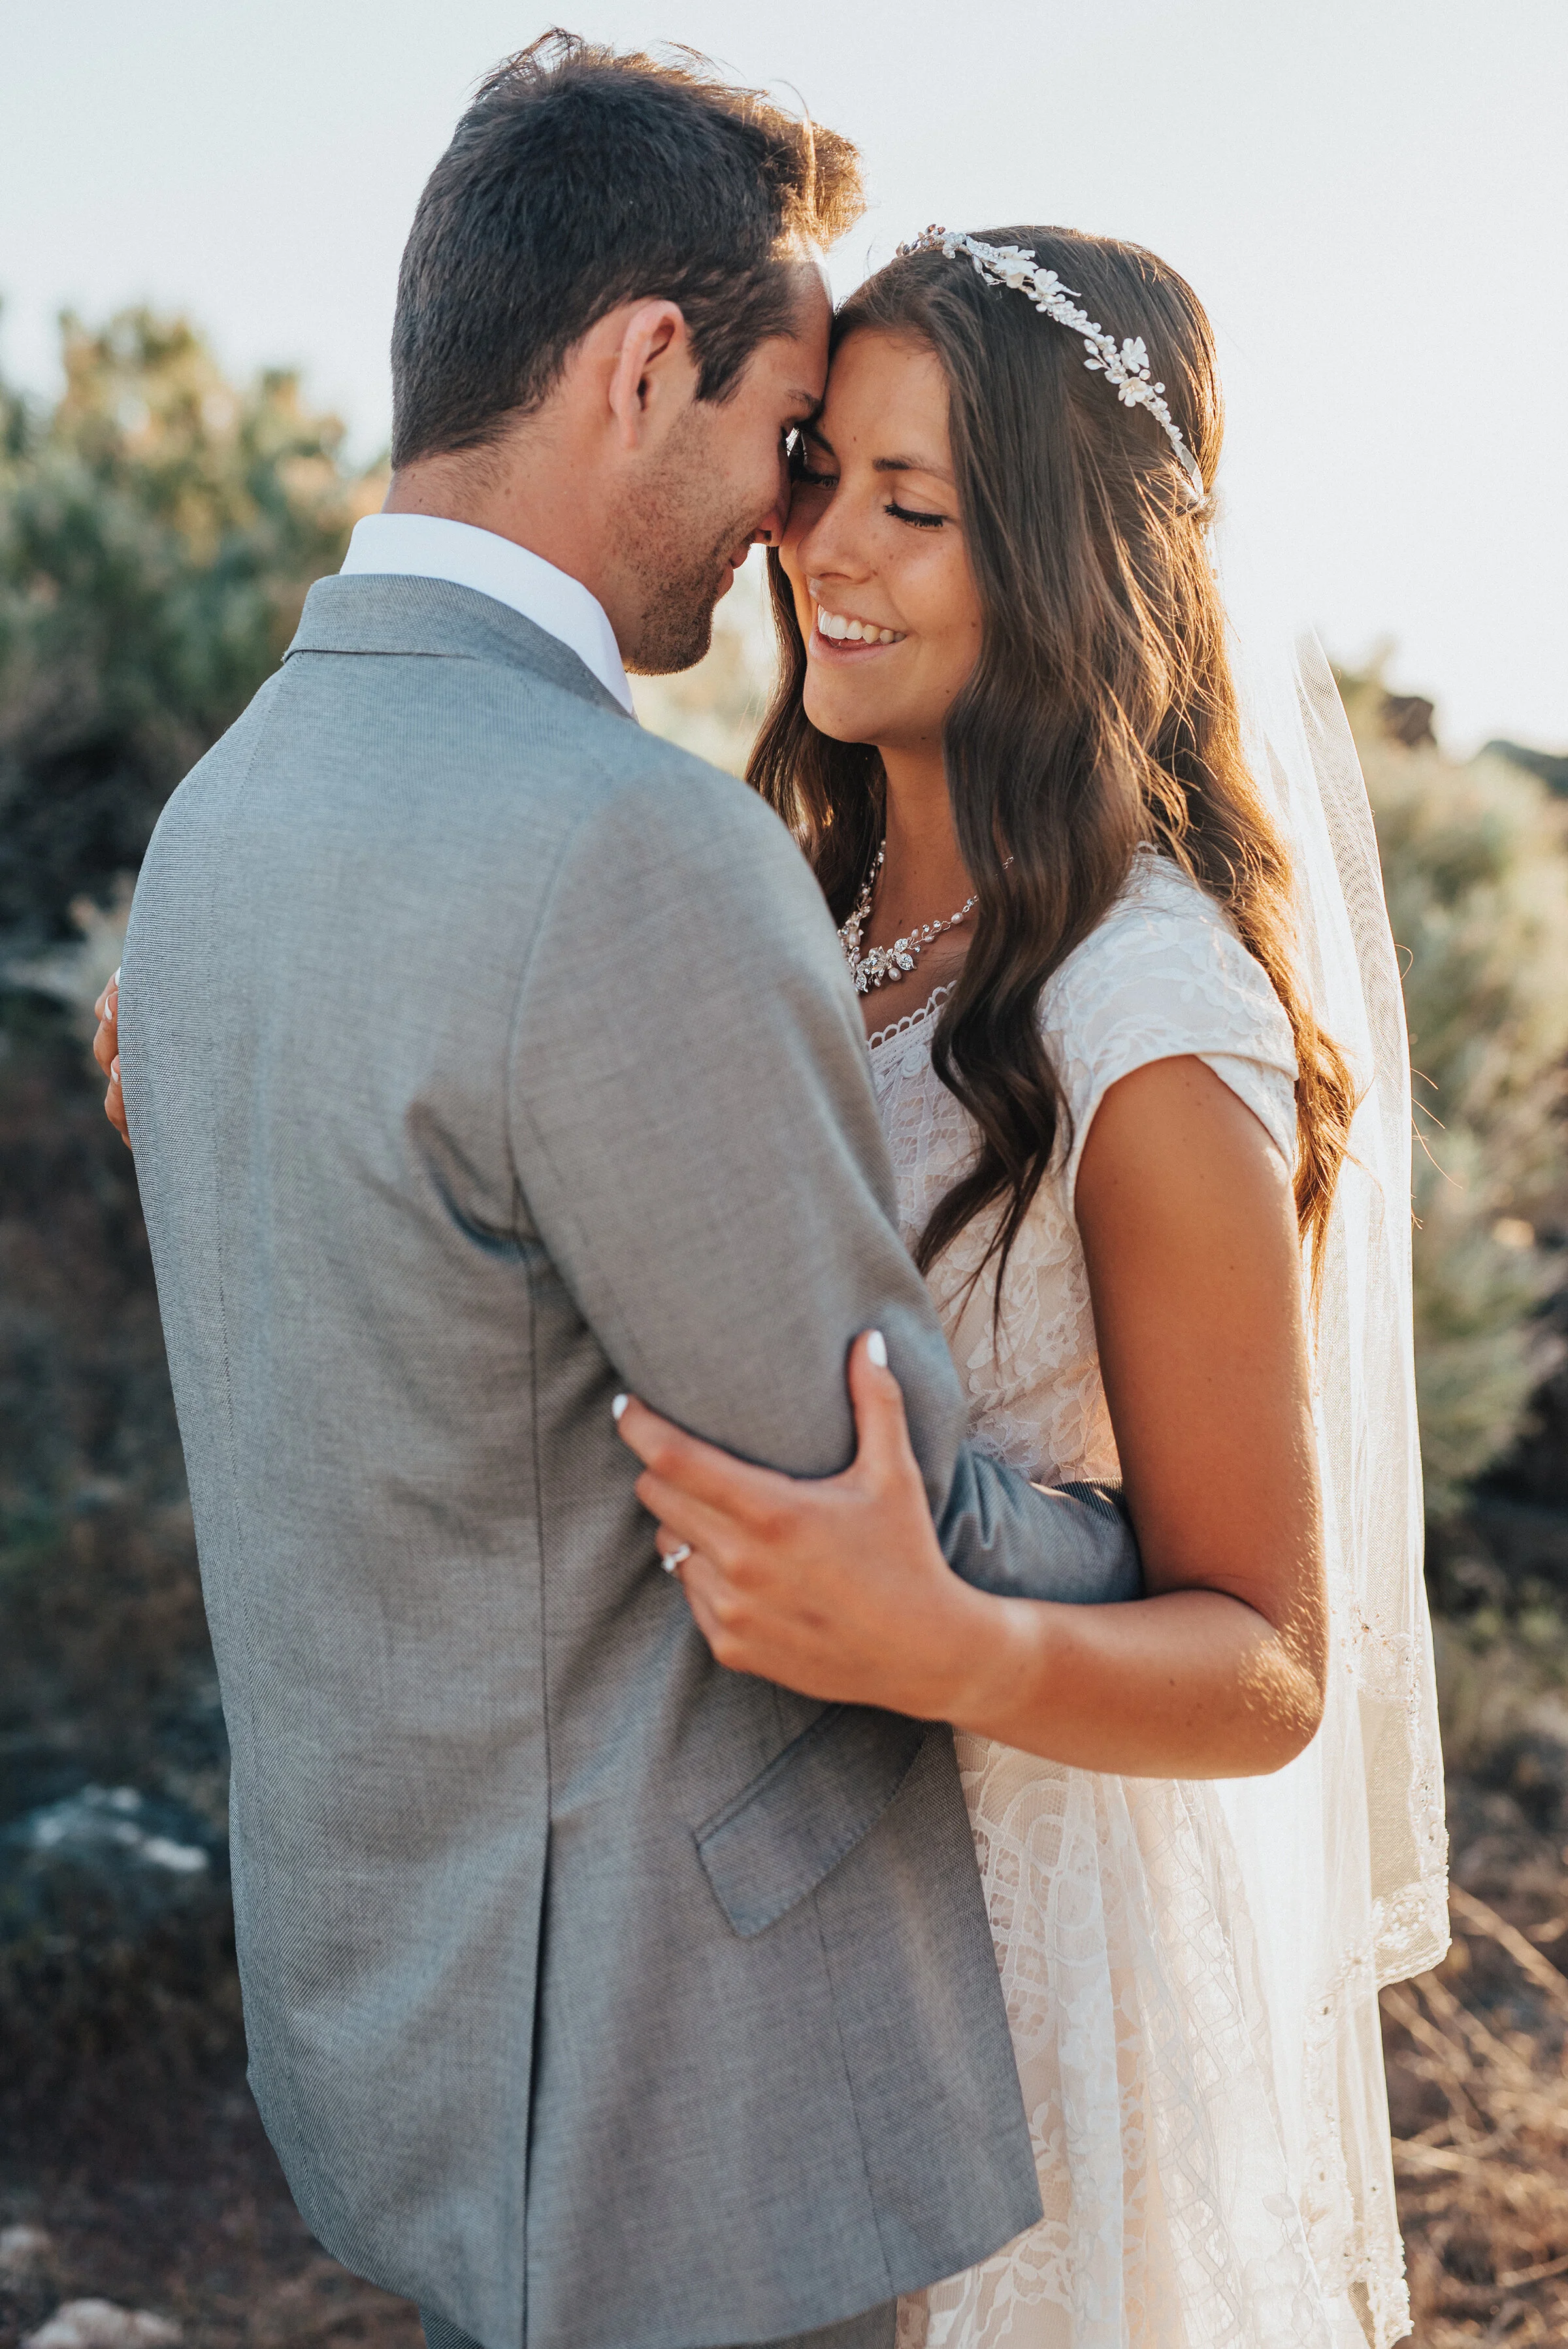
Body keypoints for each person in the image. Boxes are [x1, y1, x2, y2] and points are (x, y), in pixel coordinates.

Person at [93, 41, 1149, 2349]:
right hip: (675, 2094)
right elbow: (866, 1502)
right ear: (641, 365)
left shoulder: (218, 824)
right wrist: (1187, 1552)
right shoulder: (624, 849)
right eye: (787, 440)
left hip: (394, 2026)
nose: (793, 522)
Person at [609, 230, 1446, 2348]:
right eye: (820, 479)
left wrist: (941, 1637)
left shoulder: (1146, 1015)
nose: (828, 552)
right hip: (756, 1919)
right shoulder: (794, 902)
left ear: (1070, 564)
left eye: (919, 507)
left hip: (1021, 1957)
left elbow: (1267, 1664)